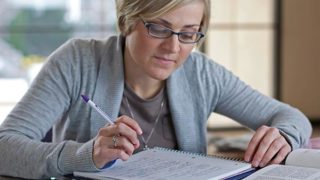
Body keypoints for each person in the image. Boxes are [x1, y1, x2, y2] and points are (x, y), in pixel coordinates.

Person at [0, 0, 312, 179]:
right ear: (127, 22)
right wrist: (85, 155)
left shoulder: (201, 73)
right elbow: (5, 147)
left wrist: (283, 135)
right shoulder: (77, 61)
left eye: (188, 34)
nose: (173, 47)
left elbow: (290, 116)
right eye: (159, 28)